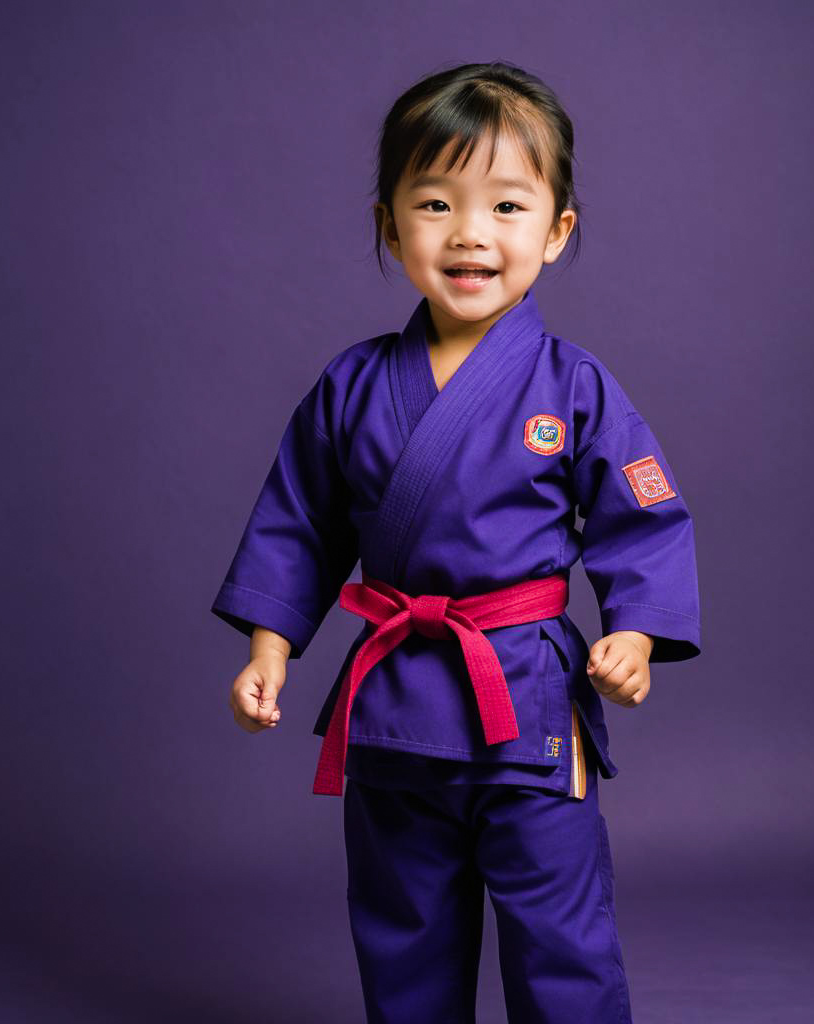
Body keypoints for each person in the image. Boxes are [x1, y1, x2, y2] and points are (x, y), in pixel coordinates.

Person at [211, 61, 701, 1024]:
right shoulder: (351, 387)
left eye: (508, 205)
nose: (471, 233)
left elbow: (640, 516)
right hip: (396, 706)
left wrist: (636, 633)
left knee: (559, 934)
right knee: (404, 928)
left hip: (526, 699)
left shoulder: (575, 388)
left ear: (556, 231)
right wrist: (269, 647)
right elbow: (296, 522)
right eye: (435, 202)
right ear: (391, 226)